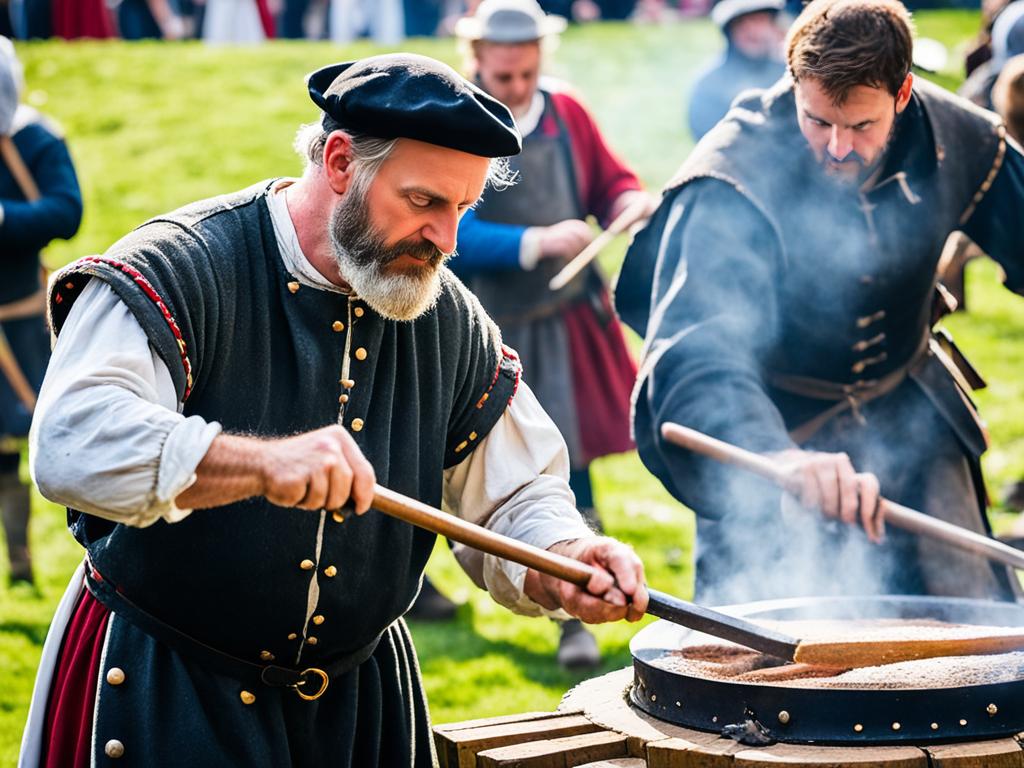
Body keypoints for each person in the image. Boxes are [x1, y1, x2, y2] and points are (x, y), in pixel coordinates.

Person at [18, 53, 648, 768]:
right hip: (167, 688)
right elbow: (72, 444)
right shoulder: (180, 266)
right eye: (423, 202)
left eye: (462, 210)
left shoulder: (446, 317)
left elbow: (514, 495)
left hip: (358, 707)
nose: (447, 239)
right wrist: (258, 463)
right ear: (342, 161)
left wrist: (560, 556)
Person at [616, 0, 1024, 605]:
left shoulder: (956, 137)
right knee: (763, 660)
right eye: (817, 121)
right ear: (794, 83)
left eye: (861, 127)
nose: (837, 148)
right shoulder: (732, 177)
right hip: (772, 435)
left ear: (904, 93)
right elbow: (697, 356)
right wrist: (774, 454)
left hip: (911, 411)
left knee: (982, 646)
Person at [451, 0, 653, 668]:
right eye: (503, 77)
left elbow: (609, 179)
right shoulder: (457, 119)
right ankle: (409, 585)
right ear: (477, 59)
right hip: (490, 331)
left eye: (526, 75)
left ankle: (574, 610)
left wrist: (627, 202)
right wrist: (533, 241)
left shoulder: (566, 113)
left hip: (566, 326)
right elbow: (450, 229)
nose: (514, 90)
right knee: (444, 468)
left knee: (569, 468)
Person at [0, 38, 81, 587]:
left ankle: (34, 567)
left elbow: (65, 210)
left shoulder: (36, 139)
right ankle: (19, 565)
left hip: (22, 317)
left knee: (36, 436)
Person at [687, 0, 786, 141]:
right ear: (730, 33)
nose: (752, 31)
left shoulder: (785, 72)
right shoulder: (709, 83)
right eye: (742, 24)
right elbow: (706, 136)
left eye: (759, 21)